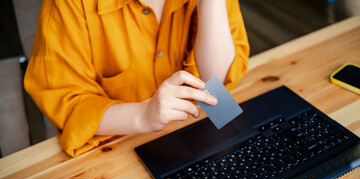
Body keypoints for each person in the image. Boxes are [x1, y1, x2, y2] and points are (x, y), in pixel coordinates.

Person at [24, 0, 250, 157]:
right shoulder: (70, 4)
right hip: (115, 147)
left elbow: (215, 79)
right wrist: (144, 115)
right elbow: (66, 99)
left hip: (195, 136)